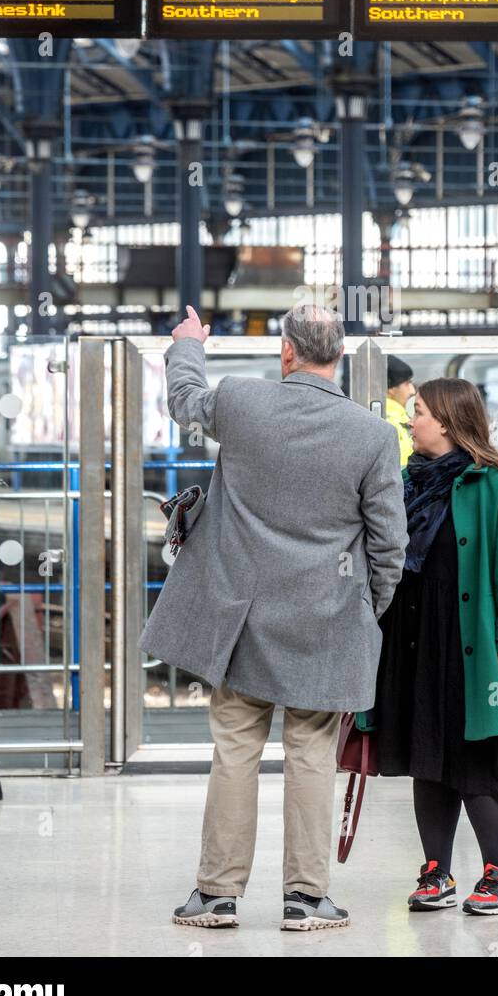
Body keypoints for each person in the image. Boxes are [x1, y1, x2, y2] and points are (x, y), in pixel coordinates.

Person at [139, 303, 408, 932]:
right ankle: (306, 899)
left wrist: (187, 344)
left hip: (241, 620)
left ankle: (215, 896)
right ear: (338, 356)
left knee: (235, 748)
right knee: (312, 753)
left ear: (287, 352)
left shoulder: (242, 402)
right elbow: (388, 543)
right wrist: (365, 608)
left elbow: (185, 398)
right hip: (327, 619)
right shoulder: (372, 436)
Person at [372, 377, 498, 916]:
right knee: (428, 755)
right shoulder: (403, 483)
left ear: (444, 421)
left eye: (416, 412)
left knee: (480, 756)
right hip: (415, 638)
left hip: (473, 643)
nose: (409, 420)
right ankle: (436, 871)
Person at [386, 355, 416, 466]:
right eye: (407, 384)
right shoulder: (392, 421)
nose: (412, 391)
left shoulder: (402, 418)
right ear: (391, 388)